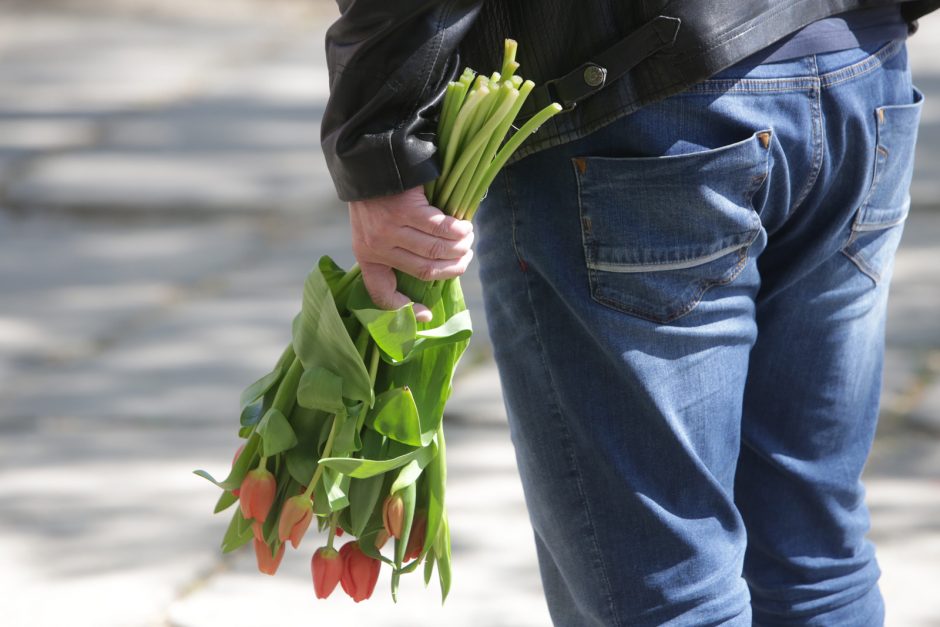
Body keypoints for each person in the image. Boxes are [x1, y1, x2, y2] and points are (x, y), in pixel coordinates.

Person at [321, 2, 939, 625]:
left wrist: (381, 143)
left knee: (671, 590)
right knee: (814, 561)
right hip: (857, 66)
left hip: (643, 93)